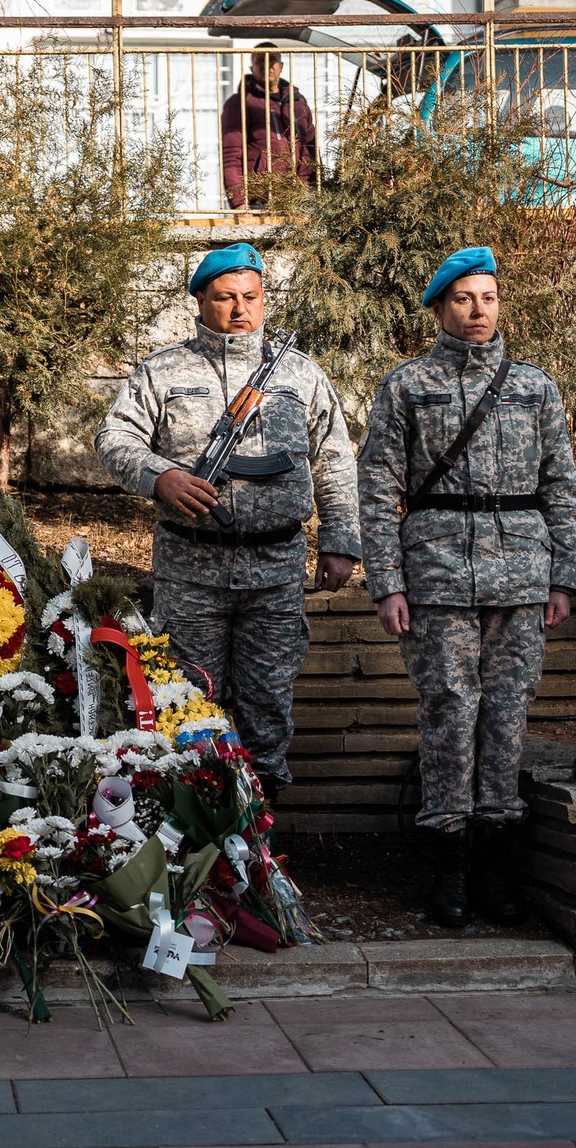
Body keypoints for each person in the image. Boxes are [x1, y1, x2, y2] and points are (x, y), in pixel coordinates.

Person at [358, 246, 576, 929]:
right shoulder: (407, 386)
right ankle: (449, 866)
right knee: (451, 714)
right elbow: (377, 489)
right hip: (438, 577)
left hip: (521, 573)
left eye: (487, 297)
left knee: (507, 715)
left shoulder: (535, 386)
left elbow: (561, 486)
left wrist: (564, 575)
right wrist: (386, 584)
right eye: (463, 299)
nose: (478, 309)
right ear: (439, 309)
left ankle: (496, 865)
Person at [95, 242, 361, 801]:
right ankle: (196, 840)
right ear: (199, 301)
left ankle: (263, 838)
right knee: (188, 702)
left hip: (276, 568)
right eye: (224, 297)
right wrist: (159, 476)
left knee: (268, 700)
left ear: (264, 299)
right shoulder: (163, 370)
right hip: (192, 569)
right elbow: (114, 437)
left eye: (250, 296)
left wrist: (340, 539)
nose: (239, 308)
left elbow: (335, 458)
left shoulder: (300, 374)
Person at [221, 43, 317, 213]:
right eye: (260, 60)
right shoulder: (240, 102)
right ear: (252, 67)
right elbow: (231, 157)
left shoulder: (298, 103)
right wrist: (240, 204)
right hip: (260, 199)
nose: (267, 64)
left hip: (301, 196)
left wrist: (316, 191)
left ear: (281, 66)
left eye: (272, 59)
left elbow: (312, 149)